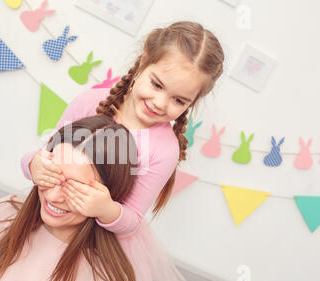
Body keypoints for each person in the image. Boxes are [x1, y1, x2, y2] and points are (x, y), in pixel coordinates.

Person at [0, 115, 191, 281]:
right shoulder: (3, 216)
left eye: (74, 188)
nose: (53, 195)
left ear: (106, 198)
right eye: (52, 177)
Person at [21, 21, 225, 237]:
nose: (160, 103)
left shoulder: (164, 150)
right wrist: (33, 164)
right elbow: (45, 154)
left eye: (179, 100)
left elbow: (132, 220)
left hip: (90, 243)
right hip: (45, 214)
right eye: (157, 85)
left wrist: (106, 209)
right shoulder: (90, 102)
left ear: (191, 102)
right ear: (144, 61)